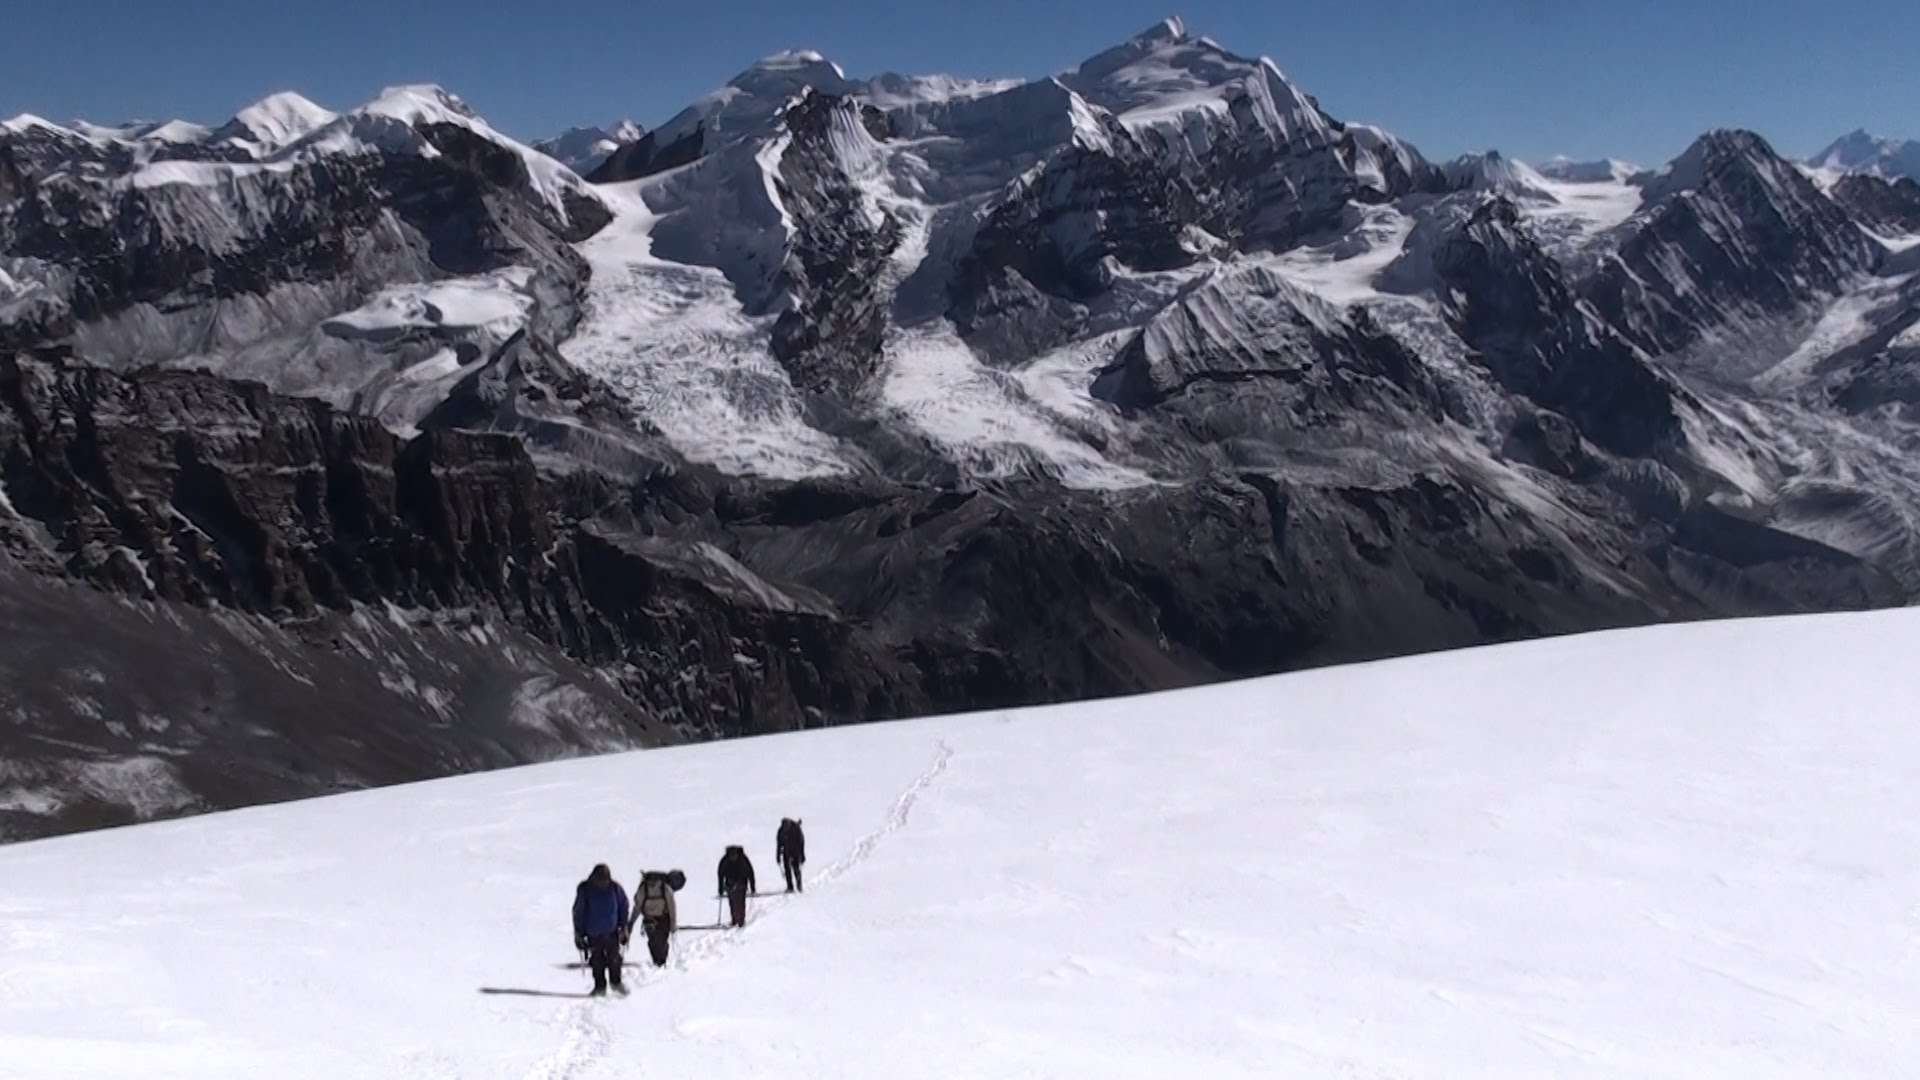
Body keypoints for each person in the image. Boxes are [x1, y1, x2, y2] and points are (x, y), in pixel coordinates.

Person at [572, 863, 630, 996]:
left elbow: (623, 906)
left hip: (612, 932)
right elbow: (578, 911)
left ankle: (616, 983)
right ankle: (600, 987)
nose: (603, 882)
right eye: (601, 879)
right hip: (593, 933)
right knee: (597, 961)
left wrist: (623, 926)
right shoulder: (585, 890)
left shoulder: (615, 888)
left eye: (605, 879)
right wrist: (578, 933)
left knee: (614, 959)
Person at [630, 869, 680, 967]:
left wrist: (631, 922)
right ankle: (659, 962)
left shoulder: (645, 889)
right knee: (657, 941)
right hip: (658, 919)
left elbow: (637, 907)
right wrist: (673, 926)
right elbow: (672, 908)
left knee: (656, 941)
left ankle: (659, 961)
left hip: (656, 919)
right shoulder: (665, 888)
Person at [716, 845, 756, 929]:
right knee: (732, 902)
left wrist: (752, 886)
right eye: (732, 856)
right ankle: (734, 919)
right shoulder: (725, 861)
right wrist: (720, 888)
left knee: (740, 901)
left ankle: (741, 920)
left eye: (734, 856)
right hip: (729, 883)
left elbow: (750, 872)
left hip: (741, 883)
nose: (733, 858)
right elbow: (720, 875)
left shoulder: (743, 860)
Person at [776, 818, 806, 893]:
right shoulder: (781, 831)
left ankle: (799, 886)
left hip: (796, 851)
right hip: (786, 851)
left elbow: (801, 843)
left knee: (796, 869)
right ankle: (790, 887)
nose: (785, 829)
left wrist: (802, 855)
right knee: (787, 870)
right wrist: (778, 856)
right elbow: (779, 844)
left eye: (786, 827)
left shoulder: (796, 829)